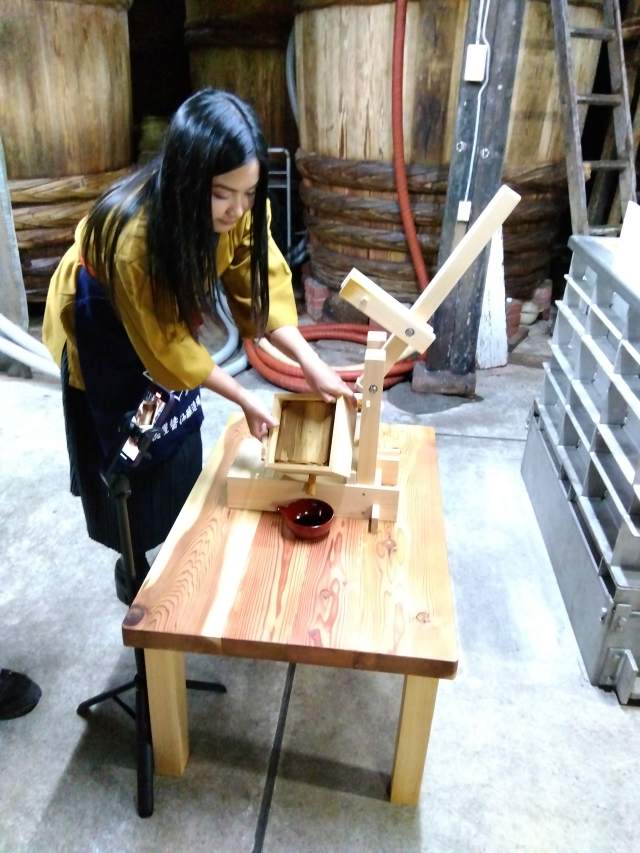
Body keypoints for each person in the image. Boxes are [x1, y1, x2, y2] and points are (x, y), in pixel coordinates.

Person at [43, 89, 352, 585]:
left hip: (162, 324)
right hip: (104, 327)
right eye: (221, 194)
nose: (236, 210)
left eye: (248, 194)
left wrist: (309, 363)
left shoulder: (240, 210)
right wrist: (245, 398)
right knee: (125, 455)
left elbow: (262, 286)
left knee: (175, 434)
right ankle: (133, 563)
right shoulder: (134, 237)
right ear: (187, 181)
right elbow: (169, 349)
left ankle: (174, 541)